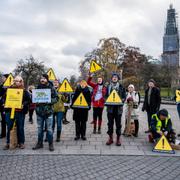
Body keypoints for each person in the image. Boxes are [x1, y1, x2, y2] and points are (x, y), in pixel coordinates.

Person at [32, 74, 58, 151]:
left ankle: (51, 144)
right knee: (40, 129)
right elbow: (33, 98)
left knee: (49, 129)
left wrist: (49, 101)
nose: (42, 80)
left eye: (44, 78)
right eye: (41, 78)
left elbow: (56, 98)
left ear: (47, 79)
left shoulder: (51, 88)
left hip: (48, 112)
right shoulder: (37, 88)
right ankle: (40, 143)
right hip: (39, 112)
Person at [4, 76, 31, 150]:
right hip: (10, 111)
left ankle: (21, 142)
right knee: (9, 127)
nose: (15, 82)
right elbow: (4, 98)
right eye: (14, 80)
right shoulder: (9, 90)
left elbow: (29, 100)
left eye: (17, 81)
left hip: (20, 112)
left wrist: (23, 104)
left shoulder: (24, 91)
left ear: (21, 82)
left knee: (20, 127)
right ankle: (8, 142)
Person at [105, 73, 126, 146]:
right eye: (113, 77)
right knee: (110, 124)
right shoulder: (108, 87)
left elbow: (124, 97)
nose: (114, 78)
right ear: (111, 78)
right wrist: (107, 101)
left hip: (118, 109)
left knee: (118, 125)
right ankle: (110, 138)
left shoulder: (121, 87)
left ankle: (118, 139)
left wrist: (121, 101)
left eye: (116, 77)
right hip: (110, 109)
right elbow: (105, 96)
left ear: (118, 79)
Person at [0, 74, 9, 138]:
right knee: (2, 120)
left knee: (5, 120)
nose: (1, 78)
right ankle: (3, 133)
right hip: (1, 104)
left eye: (3, 77)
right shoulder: (1, 85)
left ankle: (6, 133)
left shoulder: (8, 86)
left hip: (6, 105)